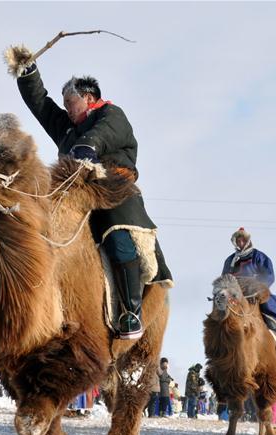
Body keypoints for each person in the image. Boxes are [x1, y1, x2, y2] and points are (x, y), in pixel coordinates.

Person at [14, 56, 171, 341]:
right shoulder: (69, 128)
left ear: (88, 98)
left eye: (70, 105)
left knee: (117, 238)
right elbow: (42, 106)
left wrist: (87, 145)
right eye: (64, 107)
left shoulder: (111, 115)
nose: (66, 111)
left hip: (111, 190)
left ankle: (130, 311)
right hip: (75, 194)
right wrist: (27, 73)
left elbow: (104, 133)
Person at [222, 228, 276, 343]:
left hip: (254, 288)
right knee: (221, 312)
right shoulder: (230, 260)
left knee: (270, 302)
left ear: (247, 240)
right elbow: (225, 277)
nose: (241, 243)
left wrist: (259, 287)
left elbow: (269, 275)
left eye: (243, 240)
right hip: (236, 292)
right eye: (238, 241)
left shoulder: (258, 256)